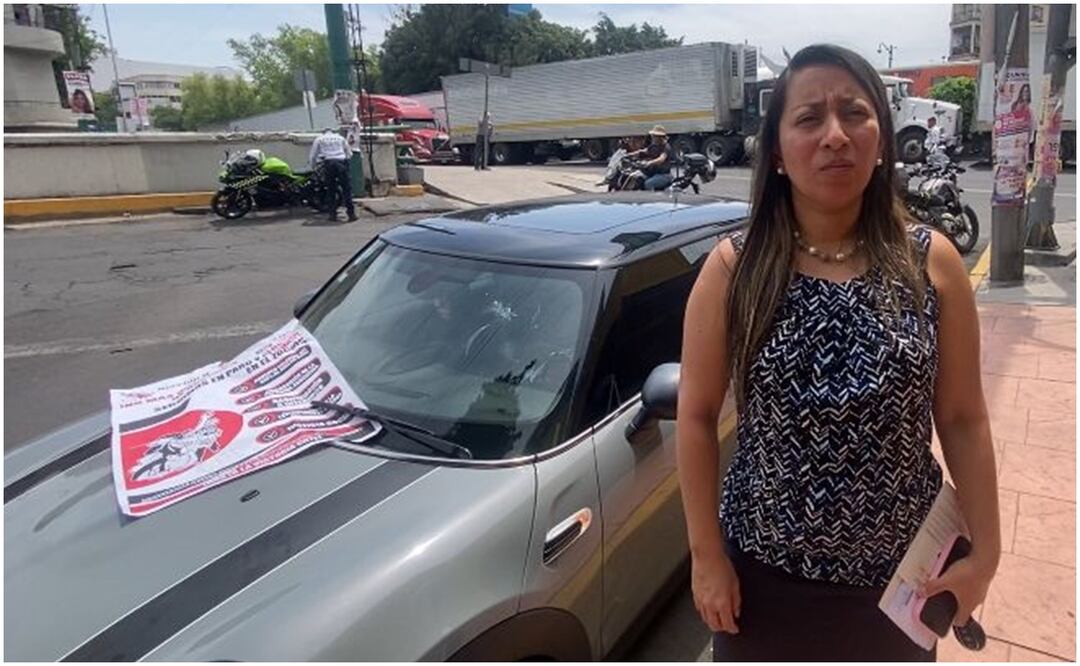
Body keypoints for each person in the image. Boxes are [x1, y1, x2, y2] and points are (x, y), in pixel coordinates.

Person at [676, 44, 1000, 661]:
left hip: (897, 585)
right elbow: (693, 418)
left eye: (854, 113)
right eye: (809, 119)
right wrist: (706, 555)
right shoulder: (734, 270)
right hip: (761, 584)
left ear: (881, 134)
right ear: (775, 152)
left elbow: (962, 417)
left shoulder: (931, 263)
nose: (835, 136)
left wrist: (987, 552)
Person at [309, 127, 357, 222]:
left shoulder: (319, 139)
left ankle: (332, 215)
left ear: (323, 132)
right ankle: (351, 215)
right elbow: (349, 154)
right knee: (346, 189)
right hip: (341, 162)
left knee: (331, 190)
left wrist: (313, 167)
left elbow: (313, 155)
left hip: (328, 164)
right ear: (333, 132)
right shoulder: (340, 138)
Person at [626, 125, 674, 190]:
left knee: (648, 183)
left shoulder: (666, 147)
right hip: (652, 173)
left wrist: (649, 163)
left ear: (660, 137)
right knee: (634, 177)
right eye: (653, 136)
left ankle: (652, 199)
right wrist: (628, 155)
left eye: (654, 136)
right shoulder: (654, 145)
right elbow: (644, 151)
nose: (652, 137)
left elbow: (661, 159)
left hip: (663, 175)